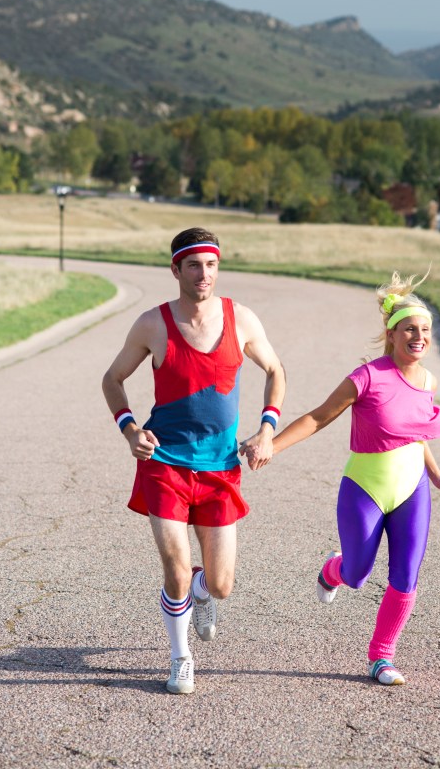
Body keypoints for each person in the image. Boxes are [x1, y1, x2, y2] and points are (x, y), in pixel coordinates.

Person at [102, 227, 285, 695]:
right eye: (193, 266)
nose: (204, 275)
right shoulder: (153, 324)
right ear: (175, 270)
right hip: (164, 461)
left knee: (221, 584)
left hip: (220, 466)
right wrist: (129, 429)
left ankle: (203, 593)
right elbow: (113, 378)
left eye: (211, 265)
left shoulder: (241, 319)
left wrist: (266, 429)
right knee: (175, 564)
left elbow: (275, 370)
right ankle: (181, 656)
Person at [264, 271, 440, 686]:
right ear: (391, 334)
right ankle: (333, 570)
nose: (419, 336)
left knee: (406, 574)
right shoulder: (367, 377)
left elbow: (416, 433)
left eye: (425, 330)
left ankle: (381, 657)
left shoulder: (428, 381)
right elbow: (318, 417)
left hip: (413, 491)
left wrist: (437, 474)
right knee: (357, 574)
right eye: (410, 328)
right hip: (365, 487)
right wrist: (271, 446)